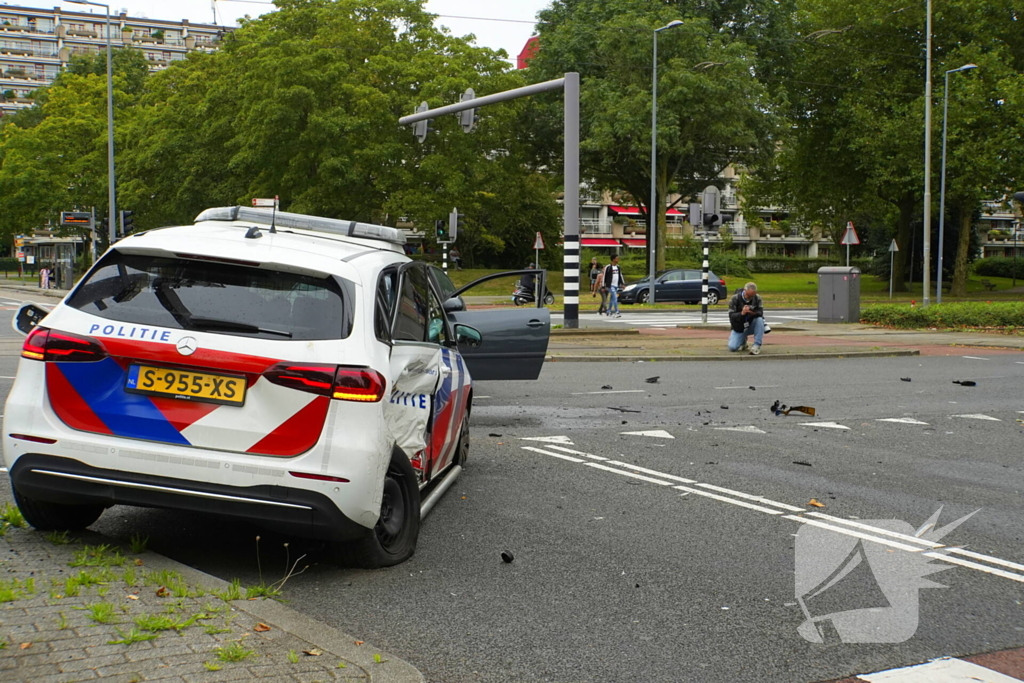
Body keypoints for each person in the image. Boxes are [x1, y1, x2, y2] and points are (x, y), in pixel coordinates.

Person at [728, 282, 765, 355]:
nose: (750, 297)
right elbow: (731, 316)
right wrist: (742, 313)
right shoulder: (735, 298)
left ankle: (757, 345)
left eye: (752, 296)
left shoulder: (757, 298)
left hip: (751, 324)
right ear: (744, 290)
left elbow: (760, 312)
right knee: (732, 347)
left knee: (760, 320)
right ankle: (743, 341)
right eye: (749, 295)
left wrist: (752, 312)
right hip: (739, 327)